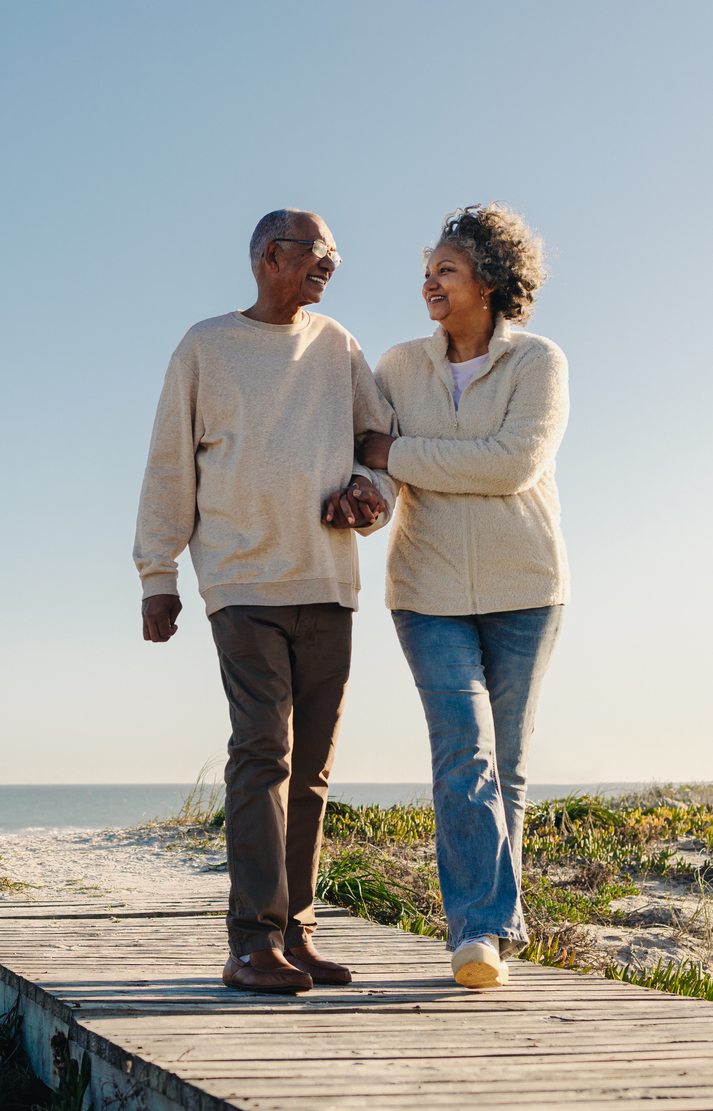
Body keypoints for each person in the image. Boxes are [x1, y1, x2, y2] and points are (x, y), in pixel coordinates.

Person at [135, 208, 394, 994]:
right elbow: (168, 463)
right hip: (242, 586)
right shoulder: (205, 346)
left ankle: (296, 934)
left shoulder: (337, 345)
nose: (331, 265)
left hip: (327, 582)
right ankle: (250, 941)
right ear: (269, 255)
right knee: (262, 754)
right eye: (319, 252)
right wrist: (157, 575)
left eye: (335, 255)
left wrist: (368, 490)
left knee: (309, 770)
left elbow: (376, 442)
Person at [355, 204, 568, 990]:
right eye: (425, 271)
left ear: (489, 278)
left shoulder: (538, 362)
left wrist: (401, 452)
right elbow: (374, 464)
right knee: (463, 754)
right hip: (426, 588)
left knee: (504, 764)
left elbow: (511, 465)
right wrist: (370, 487)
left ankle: (496, 931)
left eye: (444, 269)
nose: (428, 284)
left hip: (526, 588)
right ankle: (475, 932)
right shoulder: (396, 367)